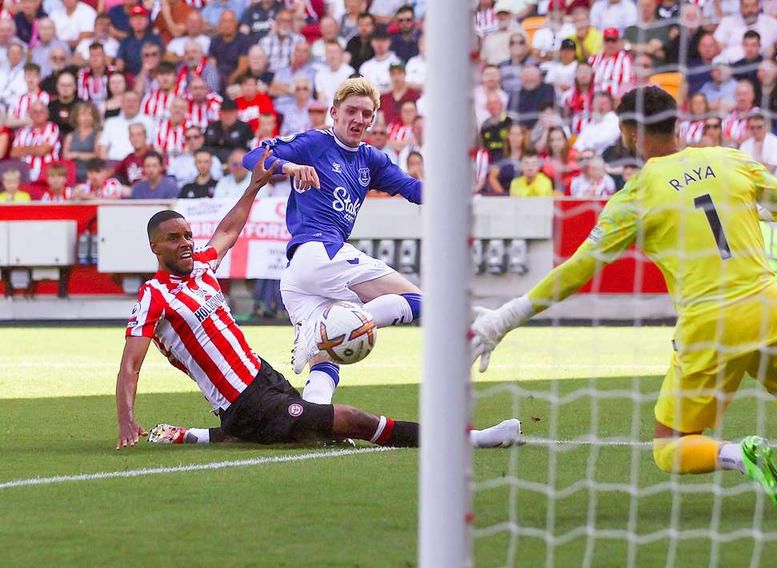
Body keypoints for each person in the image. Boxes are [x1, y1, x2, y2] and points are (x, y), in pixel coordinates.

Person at [470, 85, 777, 515]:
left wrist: (505, 317)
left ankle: (736, 454)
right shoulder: (729, 158)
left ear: (628, 131)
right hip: (769, 306)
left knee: (668, 446)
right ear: (678, 123)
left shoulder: (636, 196)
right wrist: (755, 209)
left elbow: (577, 270)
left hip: (710, 322)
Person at [118, 151, 521, 450]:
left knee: (318, 432)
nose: (186, 243)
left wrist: (255, 185)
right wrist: (125, 421)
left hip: (264, 378)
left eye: (188, 235)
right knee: (350, 420)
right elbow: (131, 364)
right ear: (155, 246)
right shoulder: (154, 296)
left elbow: (227, 230)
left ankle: (192, 435)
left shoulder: (203, 267)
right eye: (175, 238)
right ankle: (473, 439)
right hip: (244, 401)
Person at [242, 77, 424, 406]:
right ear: (334, 113)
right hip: (318, 253)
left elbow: (414, 190)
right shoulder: (314, 143)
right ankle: (341, 328)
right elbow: (253, 158)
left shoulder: (372, 160)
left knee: (325, 359)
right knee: (417, 301)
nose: (358, 119)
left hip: (300, 278)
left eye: (366, 114)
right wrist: (289, 165)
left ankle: (315, 418)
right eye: (351, 111)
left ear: (372, 119)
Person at [11, 100, 61, 181]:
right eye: (35, 112)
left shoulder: (52, 127)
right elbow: (14, 152)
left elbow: (42, 150)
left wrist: (23, 149)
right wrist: (36, 149)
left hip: (46, 170)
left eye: (42, 112)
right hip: (24, 171)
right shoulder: (22, 130)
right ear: (30, 115)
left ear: (47, 115)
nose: (38, 114)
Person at [98, 91, 155, 161]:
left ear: (139, 104)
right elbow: (103, 147)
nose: (131, 104)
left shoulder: (148, 121)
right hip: (113, 162)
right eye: (128, 101)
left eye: (134, 101)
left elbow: (148, 146)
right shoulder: (111, 122)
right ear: (121, 104)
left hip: (137, 163)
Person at [739, 113, 777, 180]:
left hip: (774, 187)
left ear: (767, 126)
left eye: (759, 127)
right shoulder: (744, 145)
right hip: (751, 186)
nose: (755, 130)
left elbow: (769, 170)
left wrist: (750, 168)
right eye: (752, 128)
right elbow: (742, 170)